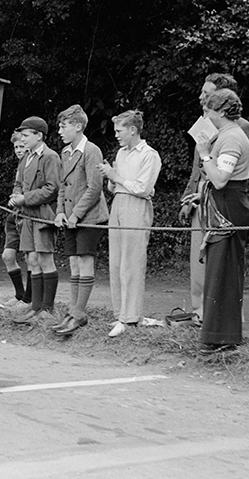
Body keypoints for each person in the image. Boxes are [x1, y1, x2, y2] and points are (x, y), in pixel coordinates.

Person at [179, 73, 249, 325]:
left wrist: (216, 176)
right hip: (200, 199)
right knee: (200, 260)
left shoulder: (241, 128)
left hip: (223, 198)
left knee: (223, 262)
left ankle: (224, 319)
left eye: (208, 93)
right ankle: (201, 314)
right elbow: (197, 165)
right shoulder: (204, 122)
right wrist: (188, 197)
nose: (201, 97)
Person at [195, 89, 249, 352]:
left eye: (208, 111)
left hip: (230, 207)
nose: (205, 116)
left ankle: (224, 337)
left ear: (220, 112)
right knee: (218, 271)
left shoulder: (232, 138)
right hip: (222, 204)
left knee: (225, 272)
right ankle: (216, 335)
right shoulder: (226, 135)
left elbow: (219, 179)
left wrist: (205, 154)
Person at [98, 110, 162, 338]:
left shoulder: (149, 155)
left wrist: (115, 177)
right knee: (116, 261)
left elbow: (144, 188)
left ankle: (131, 317)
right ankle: (120, 314)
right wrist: (111, 178)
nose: (116, 135)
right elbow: (116, 186)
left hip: (137, 206)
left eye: (119, 130)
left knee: (132, 262)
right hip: (119, 204)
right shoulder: (122, 153)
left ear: (132, 130)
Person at [52, 105, 110, 335]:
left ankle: (79, 314)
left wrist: (76, 214)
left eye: (63, 126)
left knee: (85, 261)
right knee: (73, 263)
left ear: (78, 126)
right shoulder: (65, 153)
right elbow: (62, 188)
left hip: (88, 218)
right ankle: (73, 310)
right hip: (70, 218)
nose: (59, 130)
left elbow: (94, 188)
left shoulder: (92, 151)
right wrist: (60, 212)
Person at [9, 116, 61, 326]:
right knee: (32, 260)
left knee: (45, 259)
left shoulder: (50, 157)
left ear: (39, 136)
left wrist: (26, 198)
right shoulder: (26, 158)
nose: (23, 139)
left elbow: (52, 188)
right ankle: (35, 307)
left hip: (43, 216)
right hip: (27, 217)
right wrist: (16, 195)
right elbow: (19, 182)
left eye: (26, 135)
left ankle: (47, 308)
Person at [0, 133, 30, 309]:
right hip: (14, 215)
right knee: (7, 256)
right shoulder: (20, 165)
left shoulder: (36, 163)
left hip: (28, 215)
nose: (19, 150)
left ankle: (29, 299)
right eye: (16, 147)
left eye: (21, 147)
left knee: (30, 258)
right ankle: (19, 294)